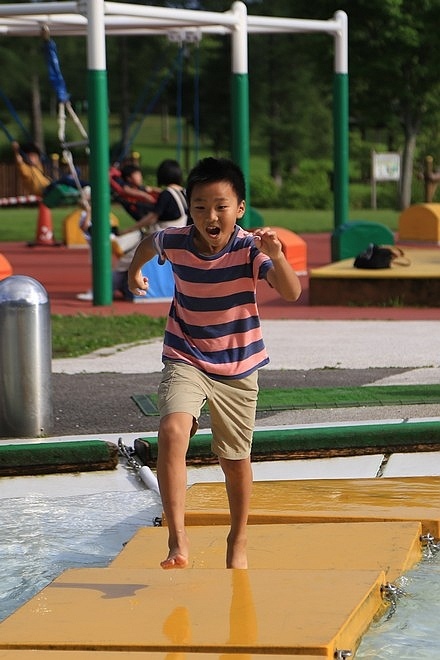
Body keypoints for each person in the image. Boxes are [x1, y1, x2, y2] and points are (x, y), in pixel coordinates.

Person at [127, 157, 302, 569]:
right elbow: (149, 244)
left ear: (239, 209)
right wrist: (136, 273)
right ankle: (177, 540)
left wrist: (277, 255)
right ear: (190, 207)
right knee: (172, 428)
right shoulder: (176, 240)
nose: (211, 216)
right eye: (201, 206)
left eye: (221, 206)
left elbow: (290, 292)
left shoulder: (247, 249)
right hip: (186, 356)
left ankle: (237, 539)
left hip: (239, 368)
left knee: (234, 459)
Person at [113, 159, 188, 300]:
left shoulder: (167, 194)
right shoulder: (184, 193)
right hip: (181, 235)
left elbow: (152, 217)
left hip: (161, 237)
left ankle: (110, 288)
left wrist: (129, 229)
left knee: (127, 259)